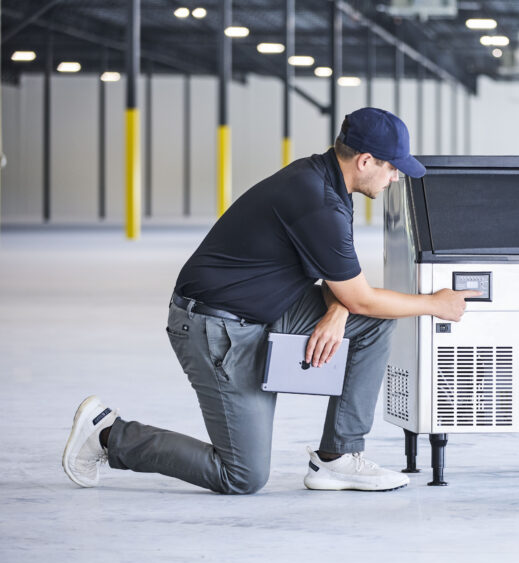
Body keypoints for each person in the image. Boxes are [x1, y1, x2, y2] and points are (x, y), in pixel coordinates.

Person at [62, 107, 479, 494]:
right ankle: (108, 434)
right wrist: (435, 303)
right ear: (366, 161)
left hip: (265, 310)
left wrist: (338, 310)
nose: (394, 178)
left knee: (370, 323)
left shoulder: (325, 181)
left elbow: (347, 285)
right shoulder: (317, 201)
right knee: (242, 475)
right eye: (391, 168)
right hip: (216, 327)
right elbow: (364, 297)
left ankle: (337, 457)